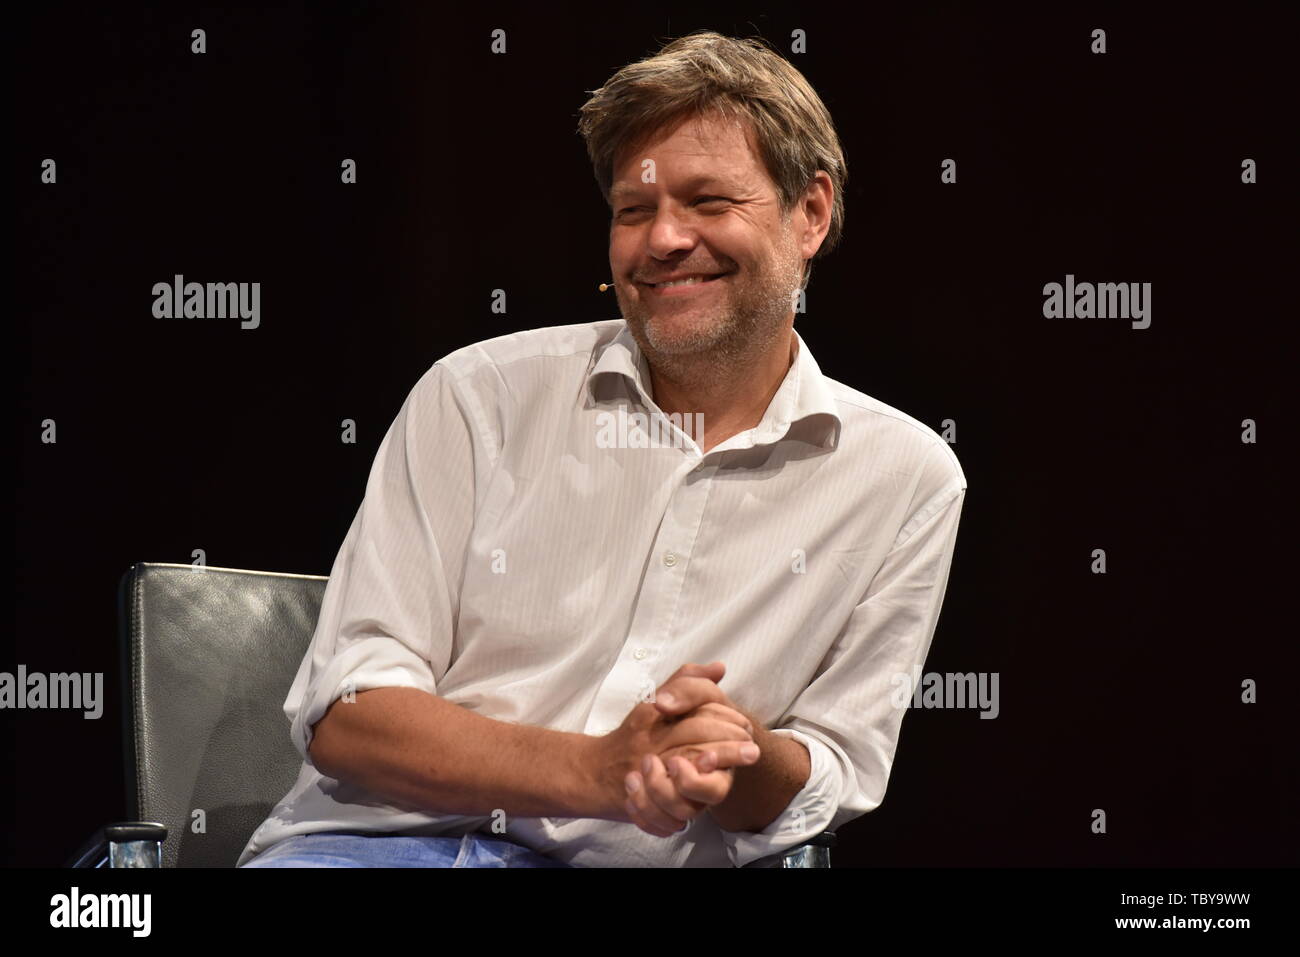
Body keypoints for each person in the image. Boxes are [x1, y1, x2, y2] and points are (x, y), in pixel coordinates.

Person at [238, 30, 967, 869]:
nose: (662, 240)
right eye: (634, 209)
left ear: (811, 212)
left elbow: (832, 767)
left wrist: (732, 755)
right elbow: (350, 714)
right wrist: (599, 770)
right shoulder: (480, 396)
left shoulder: (904, 478)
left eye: (707, 202)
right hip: (371, 852)